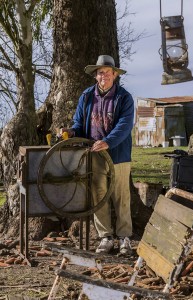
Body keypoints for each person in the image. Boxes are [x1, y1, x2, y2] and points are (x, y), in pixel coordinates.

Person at [62, 55, 134, 254]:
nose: (104, 76)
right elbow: (78, 122)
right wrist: (72, 131)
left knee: (122, 195)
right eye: (101, 73)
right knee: (98, 195)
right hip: (94, 154)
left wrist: (108, 142)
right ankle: (105, 237)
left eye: (108, 73)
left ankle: (125, 238)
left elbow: (125, 125)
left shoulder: (124, 97)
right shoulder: (86, 96)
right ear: (96, 76)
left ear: (115, 75)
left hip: (119, 154)